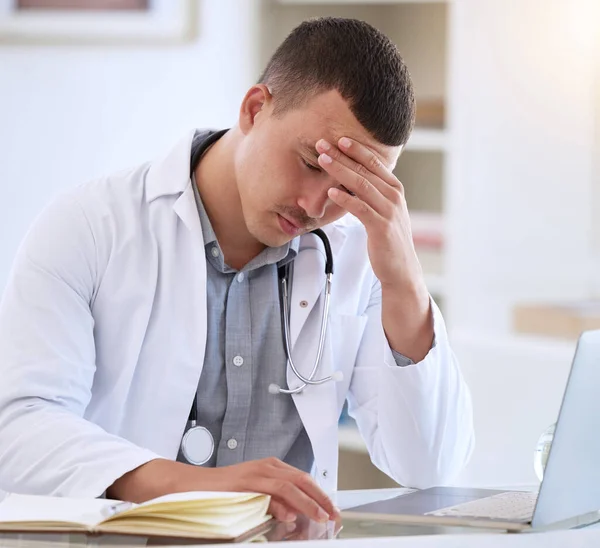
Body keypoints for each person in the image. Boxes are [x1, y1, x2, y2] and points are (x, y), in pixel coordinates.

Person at [0, 17, 474, 525]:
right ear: (254, 109)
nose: (316, 204)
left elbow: (431, 467)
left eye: (349, 189)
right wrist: (200, 489)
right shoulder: (91, 225)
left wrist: (405, 283)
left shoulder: (363, 256)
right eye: (312, 164)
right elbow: (20, 429)